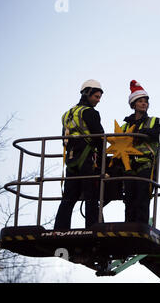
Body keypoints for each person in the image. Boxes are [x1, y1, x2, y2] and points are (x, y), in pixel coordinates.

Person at [54, 79, 105, 230]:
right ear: (87, 93)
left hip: (71, 159)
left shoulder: (67, 114)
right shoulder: (90, 112)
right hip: (87, 158)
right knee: (91, 195)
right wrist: (103, 160)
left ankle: (60, 228)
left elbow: (64, 138)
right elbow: (99, 136)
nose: (98, 100)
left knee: (69, 196)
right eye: (96, 96)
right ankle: (93, 227)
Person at [121, 80, 160, 224]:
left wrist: (143, 132)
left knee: (142, 197)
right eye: (140, 101)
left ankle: (140, 227)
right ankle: (128, 227)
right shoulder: (124, 126)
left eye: (145, 101)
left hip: (146, 165)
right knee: (129, 199)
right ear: (133, 104)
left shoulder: (156, 121)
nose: (144, 104)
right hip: (128, 167)